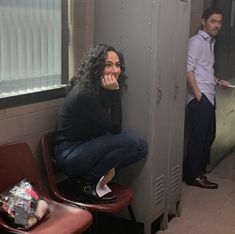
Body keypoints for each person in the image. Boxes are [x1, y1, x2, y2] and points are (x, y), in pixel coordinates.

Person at [54, 44, 148, 203]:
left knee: (141, 147)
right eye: (108, 65)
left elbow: (109, 130)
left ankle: (95, 176)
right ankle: (87, 183)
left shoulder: (98, 89)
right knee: (130, 141)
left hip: (88, 148)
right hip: (70, 154)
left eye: (118, 65)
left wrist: (110, 166)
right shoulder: (85, 93)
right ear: (96, 67)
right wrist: (115, 93)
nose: (115, 70)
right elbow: (116, 129)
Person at [183, 7, 231, 189]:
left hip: (208, 95)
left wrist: (218, 81)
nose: (217, 25)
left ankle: (192, 172)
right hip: (201, 98)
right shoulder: (196, 41)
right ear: (203, 21)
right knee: (199, 138)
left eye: (219, 22)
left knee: (207, 136)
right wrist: (198, 95)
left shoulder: (210, 42)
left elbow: (204, 70)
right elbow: (188, 69)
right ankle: (195, 176)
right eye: (213, 21)